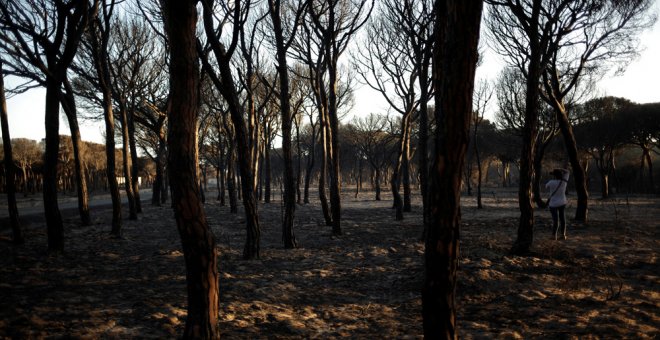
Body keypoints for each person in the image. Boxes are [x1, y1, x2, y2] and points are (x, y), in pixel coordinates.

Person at [546, 168, 569, 240]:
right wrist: (559, 169)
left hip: (553, 204)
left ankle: (553, 236)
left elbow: (546, 187)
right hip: (562, 202)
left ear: (554, 176)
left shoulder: (551, 182)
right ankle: (563, 235)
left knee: (555, 220)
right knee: (562, 219)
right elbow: (567, 171)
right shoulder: (564, 181)